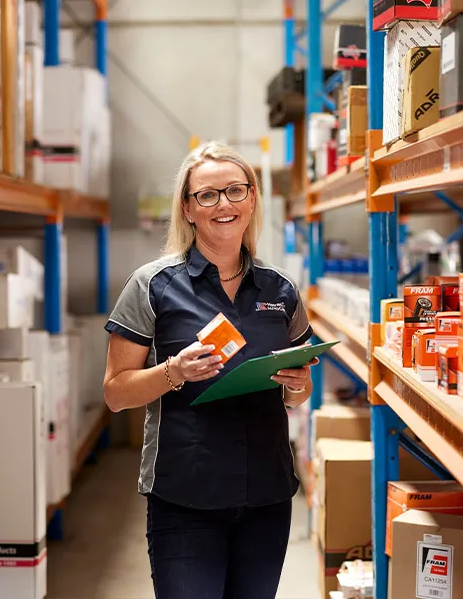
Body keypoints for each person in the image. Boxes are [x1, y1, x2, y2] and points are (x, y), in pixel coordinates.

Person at [103, 141, 317, 599]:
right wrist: (172, 372)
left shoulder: (280, 290)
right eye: (208, 195)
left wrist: (298, 388)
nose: (224, 204)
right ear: (187, 209)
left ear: (253, 198)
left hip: (267, 495)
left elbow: (299, 390)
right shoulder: (152, 286)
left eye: (235, 191)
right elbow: (115, 392)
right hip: (185, 497)